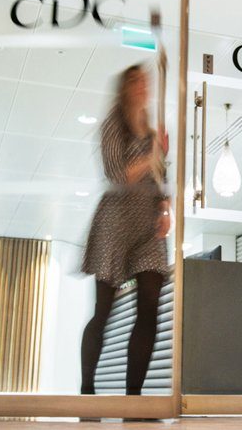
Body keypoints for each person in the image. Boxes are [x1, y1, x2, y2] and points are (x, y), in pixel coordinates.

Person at [79, 63, 171, 396]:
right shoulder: (113, 125)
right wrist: (153, 153)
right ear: (125, 88)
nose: (143, 86)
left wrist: (165, 208)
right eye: (136, 81)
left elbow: (160, 177)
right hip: (115, 222)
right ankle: (87, 390)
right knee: (103, 311)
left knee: (149, 306)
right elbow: (118, 174)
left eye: (146, 81)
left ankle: (135, 398)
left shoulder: (152, 131)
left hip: (147, 224)